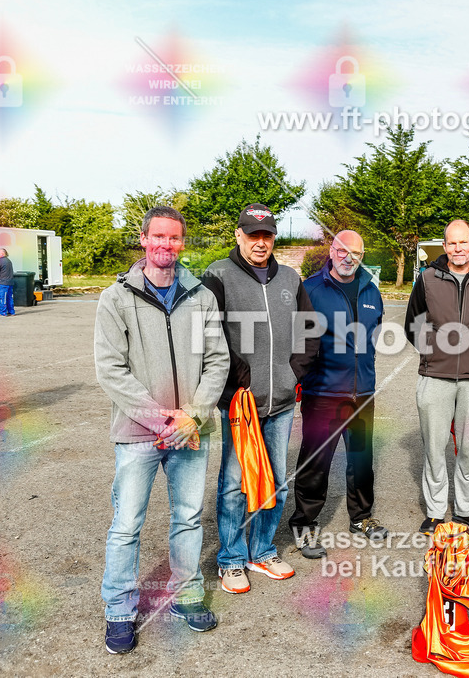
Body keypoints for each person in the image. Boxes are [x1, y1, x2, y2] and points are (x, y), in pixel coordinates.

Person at [94, 206, 229, 654]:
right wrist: (160, 419)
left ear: (182, 243)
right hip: (139, 434)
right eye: (158, 237)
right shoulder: (116, 298)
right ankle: (119, 610)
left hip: (191, 430)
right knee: (126, 524)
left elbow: (218, 362)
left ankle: (186, 596)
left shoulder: (201, 295)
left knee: (188, 517)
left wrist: (191, 414)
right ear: (143, 239)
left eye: (174, 238)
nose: (165, 245)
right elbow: (110, 370)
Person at [201, 204, 319, 593]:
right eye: (253, 234)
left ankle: (262, 550)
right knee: (235, 481)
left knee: (276, 482)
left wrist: (294, 372)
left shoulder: (290, 277)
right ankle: (231, 559)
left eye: (267, 235)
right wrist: (239, 379)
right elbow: (208, 334)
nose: (260, 242)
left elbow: (308, 330)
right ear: (239, 235)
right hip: (241, 403)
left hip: (282, 401)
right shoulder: (217, 275)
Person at [289, 230, 387, 559]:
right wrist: (302, 380)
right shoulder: (312, 290)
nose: (348, 257)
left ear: (362, 255)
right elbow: (297, 341)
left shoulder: (371, 290)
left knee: (361, 461)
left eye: (355, 253)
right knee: (315, 462)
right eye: (342, 250)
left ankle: (361, 517)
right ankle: (304, 522)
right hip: (324, 393)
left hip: (363, 393)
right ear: (331, 251)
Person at [404, 219, 469, 535]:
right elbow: (412, 324)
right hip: (436, 377)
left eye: (463, 242)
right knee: (434, 447)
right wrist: (433, 351)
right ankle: (434, 512)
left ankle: (466, 510)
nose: (458, 248)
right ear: (444, 247)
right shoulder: (428, 278)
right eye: (451, 243)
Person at [0, 248, 15, 317]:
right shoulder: (9, 261)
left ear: (2, 254)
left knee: (2, 298)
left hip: (2, 283)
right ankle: (11, 312)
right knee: (9, 298)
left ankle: (3, 313)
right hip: (10, 283)